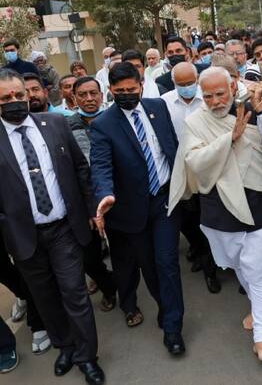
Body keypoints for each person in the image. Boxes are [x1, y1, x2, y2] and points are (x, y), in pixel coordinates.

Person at [168, 66, 262, 363]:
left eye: (220, 94)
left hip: (258, 202)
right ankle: (256, 309)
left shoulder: (251, 110)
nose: (215, 101)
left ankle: (261, 338)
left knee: (258, 271)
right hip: (219, 209)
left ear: (233, 88)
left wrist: (261, 113)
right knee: (239, 266)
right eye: (208, 96)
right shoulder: (195, 122)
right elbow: (194, 161)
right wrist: (229, 139)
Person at [0, 69, 105, 384]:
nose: (14, 101)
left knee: (74, 292)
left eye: (19, 95)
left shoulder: (55, 124)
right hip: (24, 236)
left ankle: (87, 357)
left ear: (28, 94)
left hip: (63, 229)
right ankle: (66, 347)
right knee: (45, 298)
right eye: (5, 98)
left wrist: (91, 209)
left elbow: (80, 168)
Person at [90, 62, 185, 355]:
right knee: (150, 268)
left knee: (167, 263)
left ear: (141, 85)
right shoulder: (103, 124)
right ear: (110, 90)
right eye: (119, 91)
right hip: (132, 209)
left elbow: (172, 145)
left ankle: (173, 328)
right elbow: (101, 166)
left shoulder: (158, 107)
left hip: (164, 199)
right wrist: (105, 194)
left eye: (131, 89)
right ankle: (164, 305)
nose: (126, 95)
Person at [161, 62, 221, 293]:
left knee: (209, 219)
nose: (186, 87)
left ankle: (211, 268)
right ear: (173, 83)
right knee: (188, 219)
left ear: (197, 80)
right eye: (181, 84)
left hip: (209, 166)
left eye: (190, 83)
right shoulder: (164, 103)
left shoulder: (208, 99)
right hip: (181, 170)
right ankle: (201, 252)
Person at [66, 76, 117, 312]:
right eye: (82, 95)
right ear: (74, 98)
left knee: (123, 250)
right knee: (89, 257)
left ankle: (128, 296)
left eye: (93, 93)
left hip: (115, 194)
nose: (89, 99)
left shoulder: (114, 119)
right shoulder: (66, 127)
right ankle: (108, 285)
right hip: (86, 202)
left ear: (101, 94)